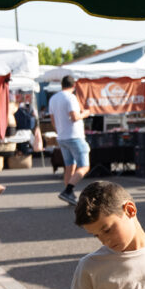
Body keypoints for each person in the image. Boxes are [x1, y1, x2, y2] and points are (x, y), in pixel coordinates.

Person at [49, 75, 90, 205]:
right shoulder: (71, 97)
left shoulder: (54, 98)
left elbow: (53, 120)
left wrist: (59, 131)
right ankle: (68, 191)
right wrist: (86, 113)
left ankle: (69, 195)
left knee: (69, 167)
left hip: (62, 136)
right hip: (74, 136)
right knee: (84, 166)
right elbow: (74, 117)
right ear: (74, 86)